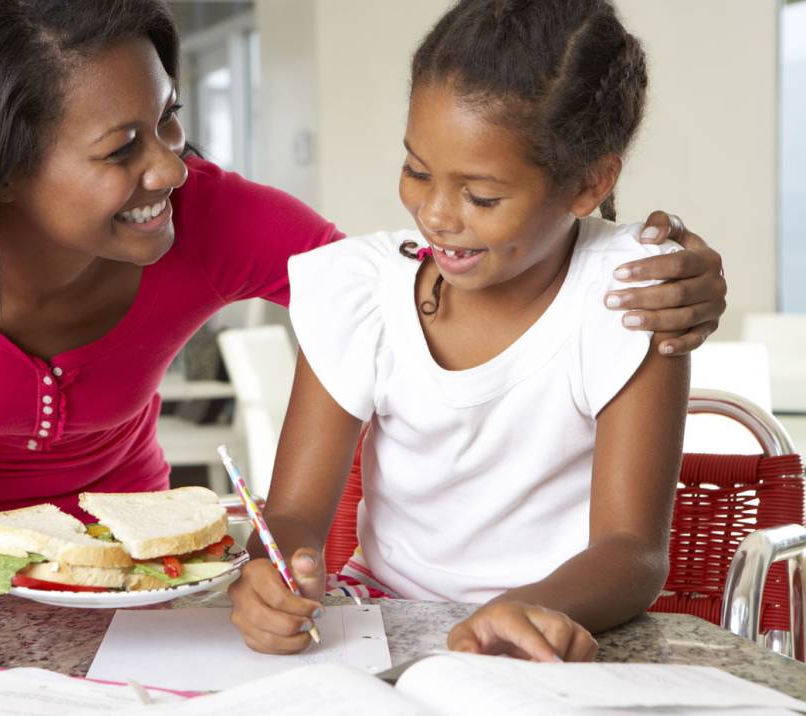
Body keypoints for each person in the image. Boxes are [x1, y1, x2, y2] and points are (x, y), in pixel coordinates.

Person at [0, 0, 723, 584]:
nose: (175, 165)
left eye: (168, 117)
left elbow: (400, 296)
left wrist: (642, 273)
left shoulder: (212, 217)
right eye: (121, 147)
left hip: (134, 567)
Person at [228, 0, 696, 663]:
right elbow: (294, 516)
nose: (437, 215)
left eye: (481, 197)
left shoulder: (631, 298)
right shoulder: (363, 292)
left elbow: (633, 552)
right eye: (417, 171)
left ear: (589, 183)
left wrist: (533, 608)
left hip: (552, 626)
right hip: (381, 626)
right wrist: (273, 575)